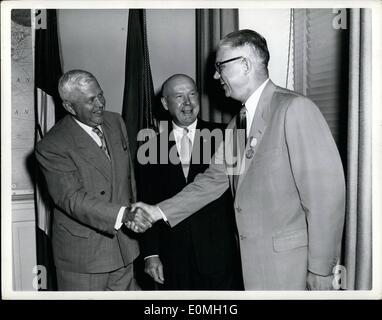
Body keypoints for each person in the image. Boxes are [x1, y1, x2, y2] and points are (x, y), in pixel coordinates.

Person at [129, 29, 346, 291]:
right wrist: (156, 211)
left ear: (245, 64)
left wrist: (321, 269)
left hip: (291, 267)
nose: (215, 75)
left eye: (220, 66)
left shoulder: (294, 109)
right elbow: (212, 181)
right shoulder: (236, 125)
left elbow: (325, 195)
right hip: (252, 266)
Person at [35, 69, 142, 290]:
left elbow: (128, 179)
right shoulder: (53, 145)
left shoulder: (116, 122)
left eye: (100, 95)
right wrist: (124, 214)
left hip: (124, 246)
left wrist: (134, 217)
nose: (100, 104)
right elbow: (72, 199)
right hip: (85, 256)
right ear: (69, 107)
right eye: (90, 101)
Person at [137, 74, 243, 290]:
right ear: (166, 104)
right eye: (179, 96)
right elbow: (146, 199)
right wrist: (150, 254)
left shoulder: (226, 135)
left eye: (192, 94)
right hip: (172, 258)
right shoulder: (149, 147)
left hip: (221, 256)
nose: (188, 102)